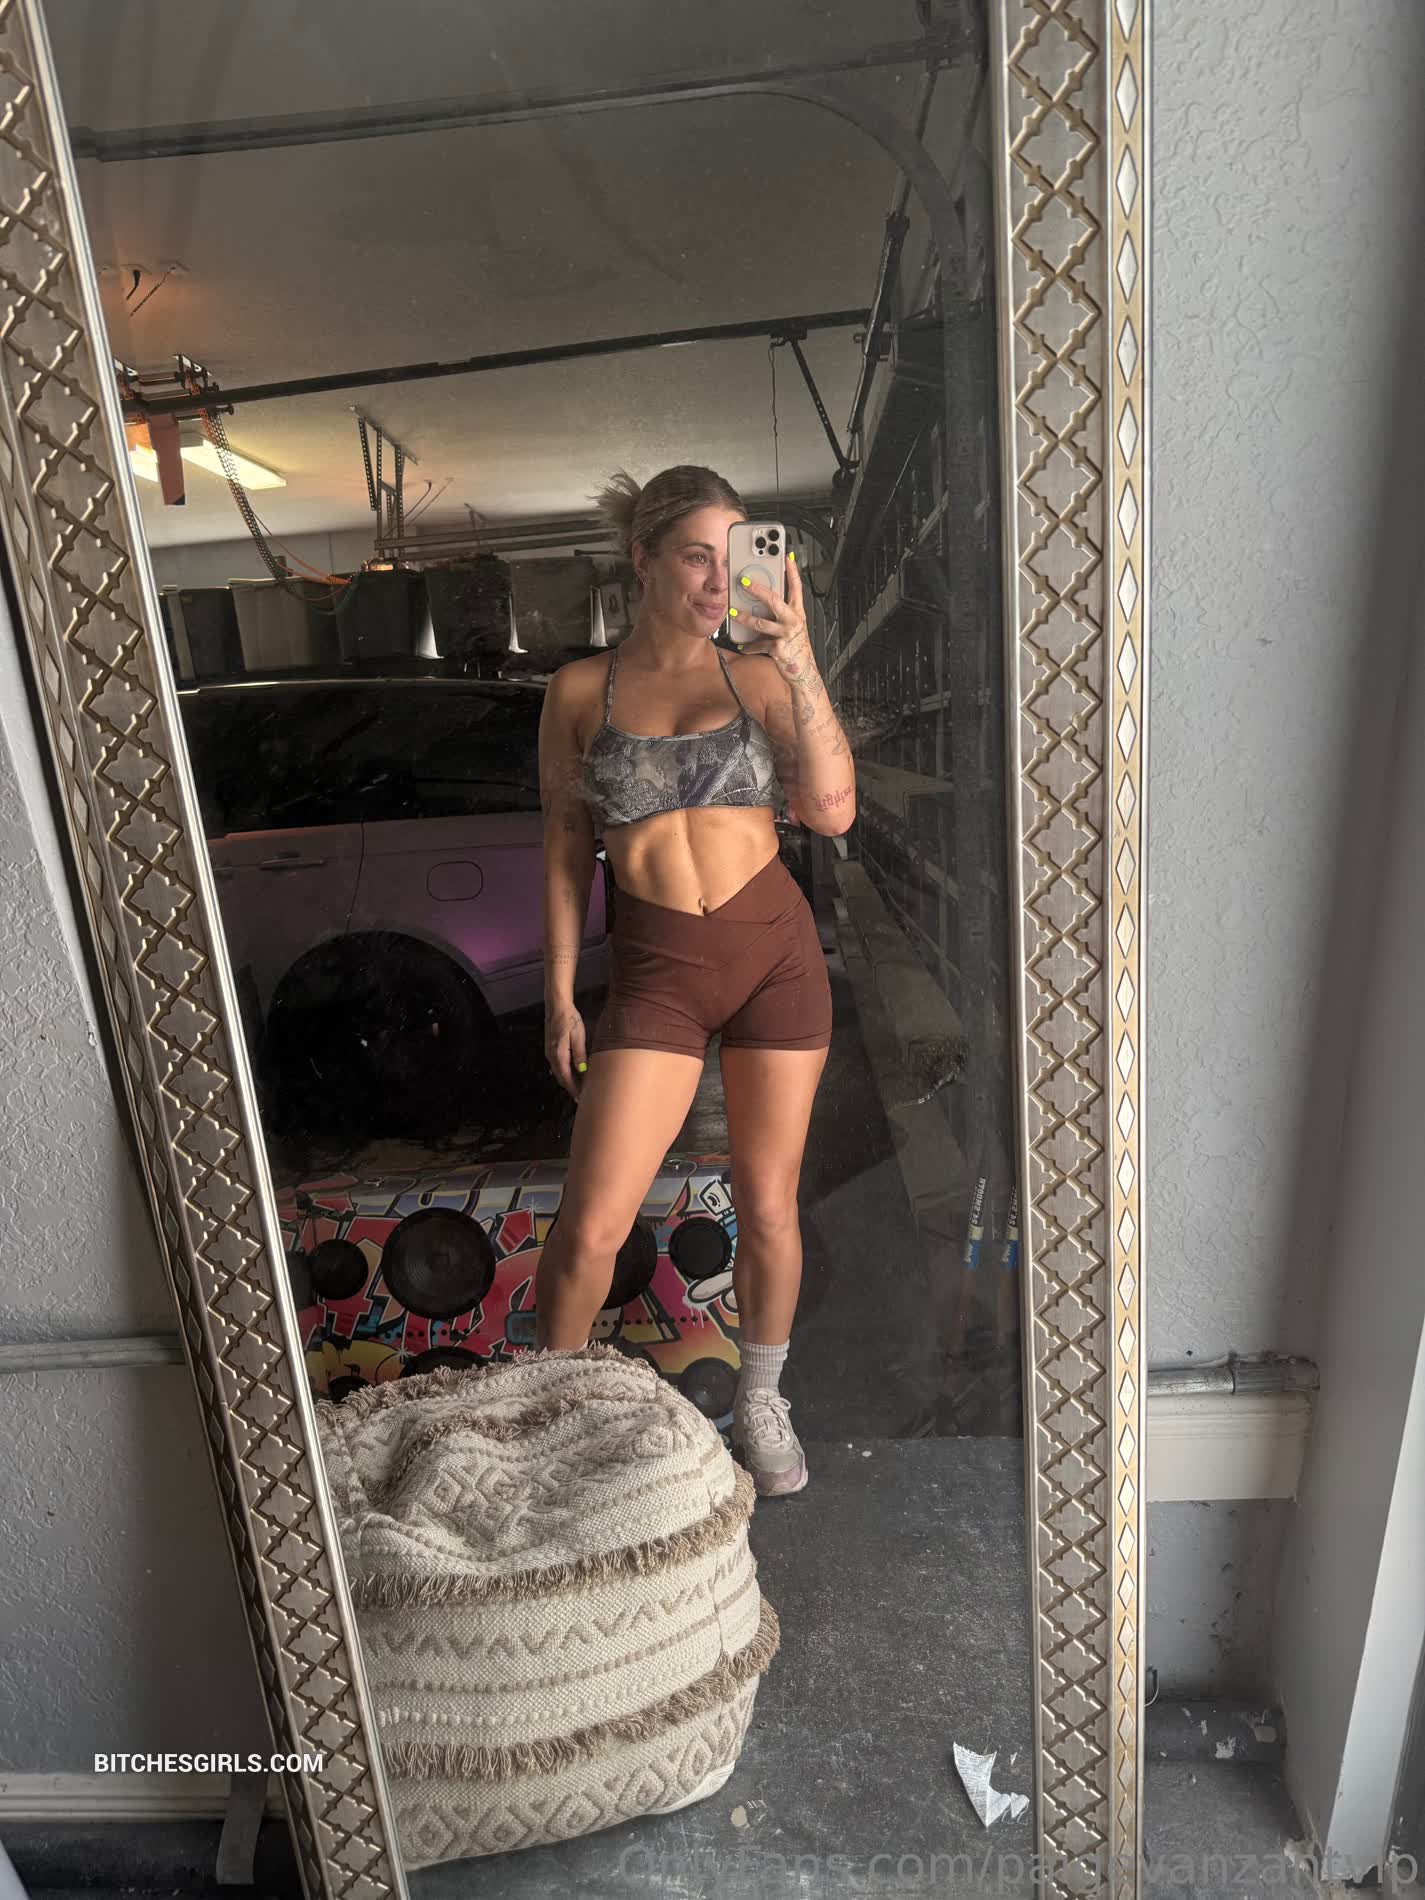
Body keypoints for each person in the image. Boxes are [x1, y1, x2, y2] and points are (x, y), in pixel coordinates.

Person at [534, 465, 856, 1496]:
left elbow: (833, 814)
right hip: (657, 970)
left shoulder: (756, 678)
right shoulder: (579, 691)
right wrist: (559, 993)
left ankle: (762, 1398)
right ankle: (551, 1413)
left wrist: (800, 663)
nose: (720, 582)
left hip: (774, 956)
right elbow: (564, 846)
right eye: (694, 557)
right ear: (642, 559)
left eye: (733, 559)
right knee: (591, 1225)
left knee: (768, 1204)